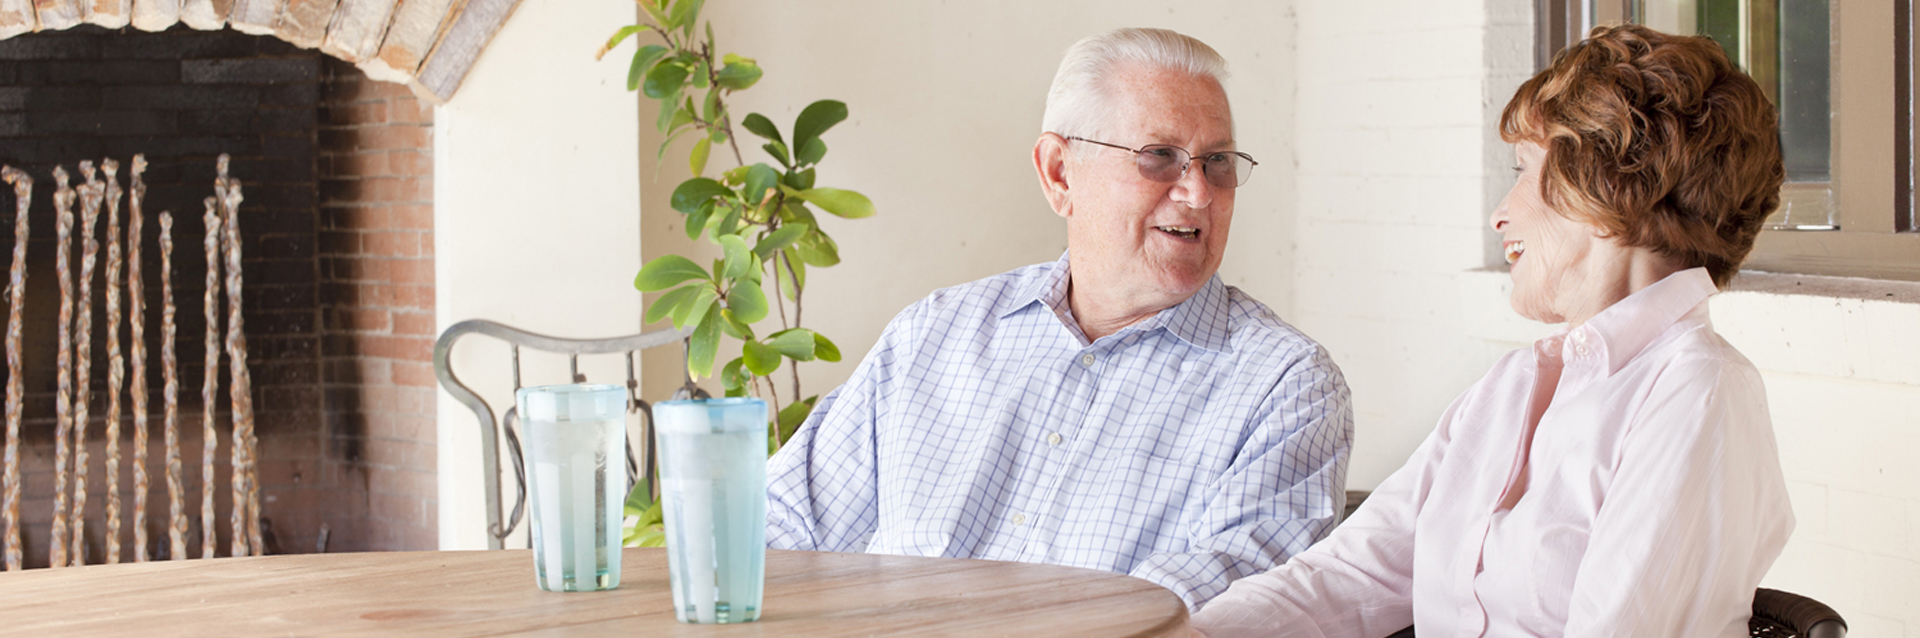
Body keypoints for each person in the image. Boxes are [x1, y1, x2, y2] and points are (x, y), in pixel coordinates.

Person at [1191, 24, 1794, 637]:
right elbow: (1350, 576)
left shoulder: (1700, 391)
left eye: (1524, 168)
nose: (1499, 211)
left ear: (1607, 182)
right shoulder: (1512, 387)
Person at [764, 27, 1353, 610]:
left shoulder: (1286, 386)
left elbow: (1217, 608)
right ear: (1059, 173)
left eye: (1218, 162)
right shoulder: (933, 335)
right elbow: (775, 534)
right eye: (1160, 157)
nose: (1198, 193)